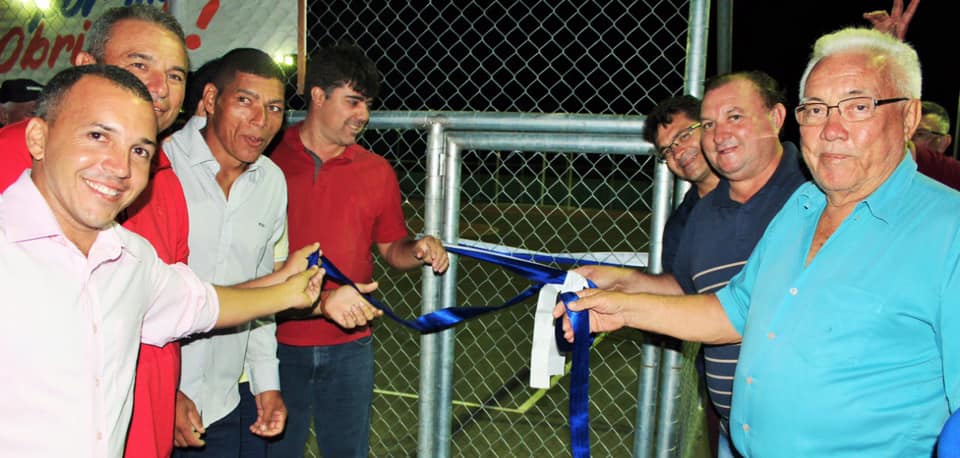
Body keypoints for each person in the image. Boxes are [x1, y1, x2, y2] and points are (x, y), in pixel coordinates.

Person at [557, 27, 960, 456]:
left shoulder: (949, 231)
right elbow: (732, 311)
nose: (831, 129)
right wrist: (621, 307)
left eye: (858, 107)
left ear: (908, 118)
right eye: (816, 109)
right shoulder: (802, 207)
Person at [0, 64, 328, 458]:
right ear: (38, 138)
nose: (121, 167)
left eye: (139, 150)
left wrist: (289, 288)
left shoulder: (130, 258)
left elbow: (202, 303)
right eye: (98, 136)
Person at [0, 6, 194, 457]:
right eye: (139, 64)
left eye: (176, 75)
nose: (159, 88)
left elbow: (170, 306)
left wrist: (173, 392)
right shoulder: (14, 161)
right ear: (86, 66)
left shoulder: (166, 180)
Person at [581, 72, 807, 457]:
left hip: (807, 430)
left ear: (776, 117)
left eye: (734, 117)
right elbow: (688, 292)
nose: (718, 135)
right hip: (735, 427)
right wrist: (617, 281)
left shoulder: (814, 192)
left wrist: (625, 306)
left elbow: (741, 314)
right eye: (667, 150)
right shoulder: (696, 218)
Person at [167, 48, 379, 457]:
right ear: (211, 99)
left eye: (275, 107)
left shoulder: (270, 182)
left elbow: (260, 299)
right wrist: (166, 389)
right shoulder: (159, 167)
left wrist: (265, 384)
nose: (261, 120)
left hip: (228, 400)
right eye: (245, 101)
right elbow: (144, 304)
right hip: (162, 398)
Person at [268, 43, 450, 457]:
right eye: (353, 101)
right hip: (275, 341)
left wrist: (418, 248)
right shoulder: (267, 159)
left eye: (367, 104)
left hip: (350, 345)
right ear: (318, 96)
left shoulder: (377, 171)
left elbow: (391, 248)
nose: (363, 115)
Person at [644, 95, 719, 273]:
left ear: (709, 126)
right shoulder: (680, 227)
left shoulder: (763, 186)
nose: (677, 153)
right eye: (667, 151)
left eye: (684, 136)